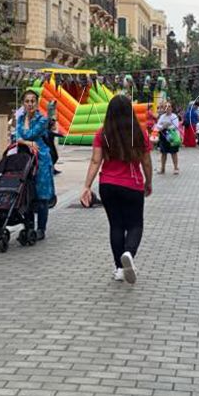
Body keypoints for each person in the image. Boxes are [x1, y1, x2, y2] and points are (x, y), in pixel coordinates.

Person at [80, 94, 152, 284]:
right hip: (132, 185)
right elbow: (146, 162)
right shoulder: (139, 133)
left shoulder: (102, 133)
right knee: (135, 224)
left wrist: (87, 186)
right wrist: (149, 182)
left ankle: (120, 268)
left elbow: (96, 161)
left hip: (108, 186)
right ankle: (128, 253)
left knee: (116, 225)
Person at [13, 90, 57, 241]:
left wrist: (24, 139)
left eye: (32, 101)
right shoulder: (19, 118)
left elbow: (29, 134)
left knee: (42, 195)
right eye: (27, 101)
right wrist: (26, 142)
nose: (30, 104)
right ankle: (29, 226)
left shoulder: (42, 120)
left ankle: (41, 229)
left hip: (41, 160)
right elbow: (17, 137)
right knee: (27, 194)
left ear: (37, 103)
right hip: (25, 159)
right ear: (23, 104)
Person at [155, 101, 181, 175]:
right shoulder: (162, 116)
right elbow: (158, 125)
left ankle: (176, 168)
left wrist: (165, 126)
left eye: (169, 106)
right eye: (165, 106)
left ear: (172, 108)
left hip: (172, 136)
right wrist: (164, 126)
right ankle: (162, 169)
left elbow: (175, 126)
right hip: (163, 136)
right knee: (163, 153)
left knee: (174, 153)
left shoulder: (174, 116)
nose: (167, 108)